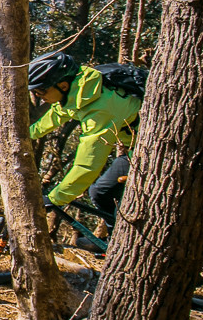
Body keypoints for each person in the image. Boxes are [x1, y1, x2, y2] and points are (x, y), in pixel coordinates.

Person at [27, 52, 142, 226]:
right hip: (136, 148)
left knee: (102, 192)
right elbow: (57, 115)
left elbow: (87, 166)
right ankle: (113, 239)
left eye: (42, 89)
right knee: (101, 191)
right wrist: (27, 135)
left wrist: (54, 199)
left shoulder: (100, 110)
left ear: (63, 86)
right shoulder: (84, 90)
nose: (38, 94)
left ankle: (115, 241)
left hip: (150, 152)